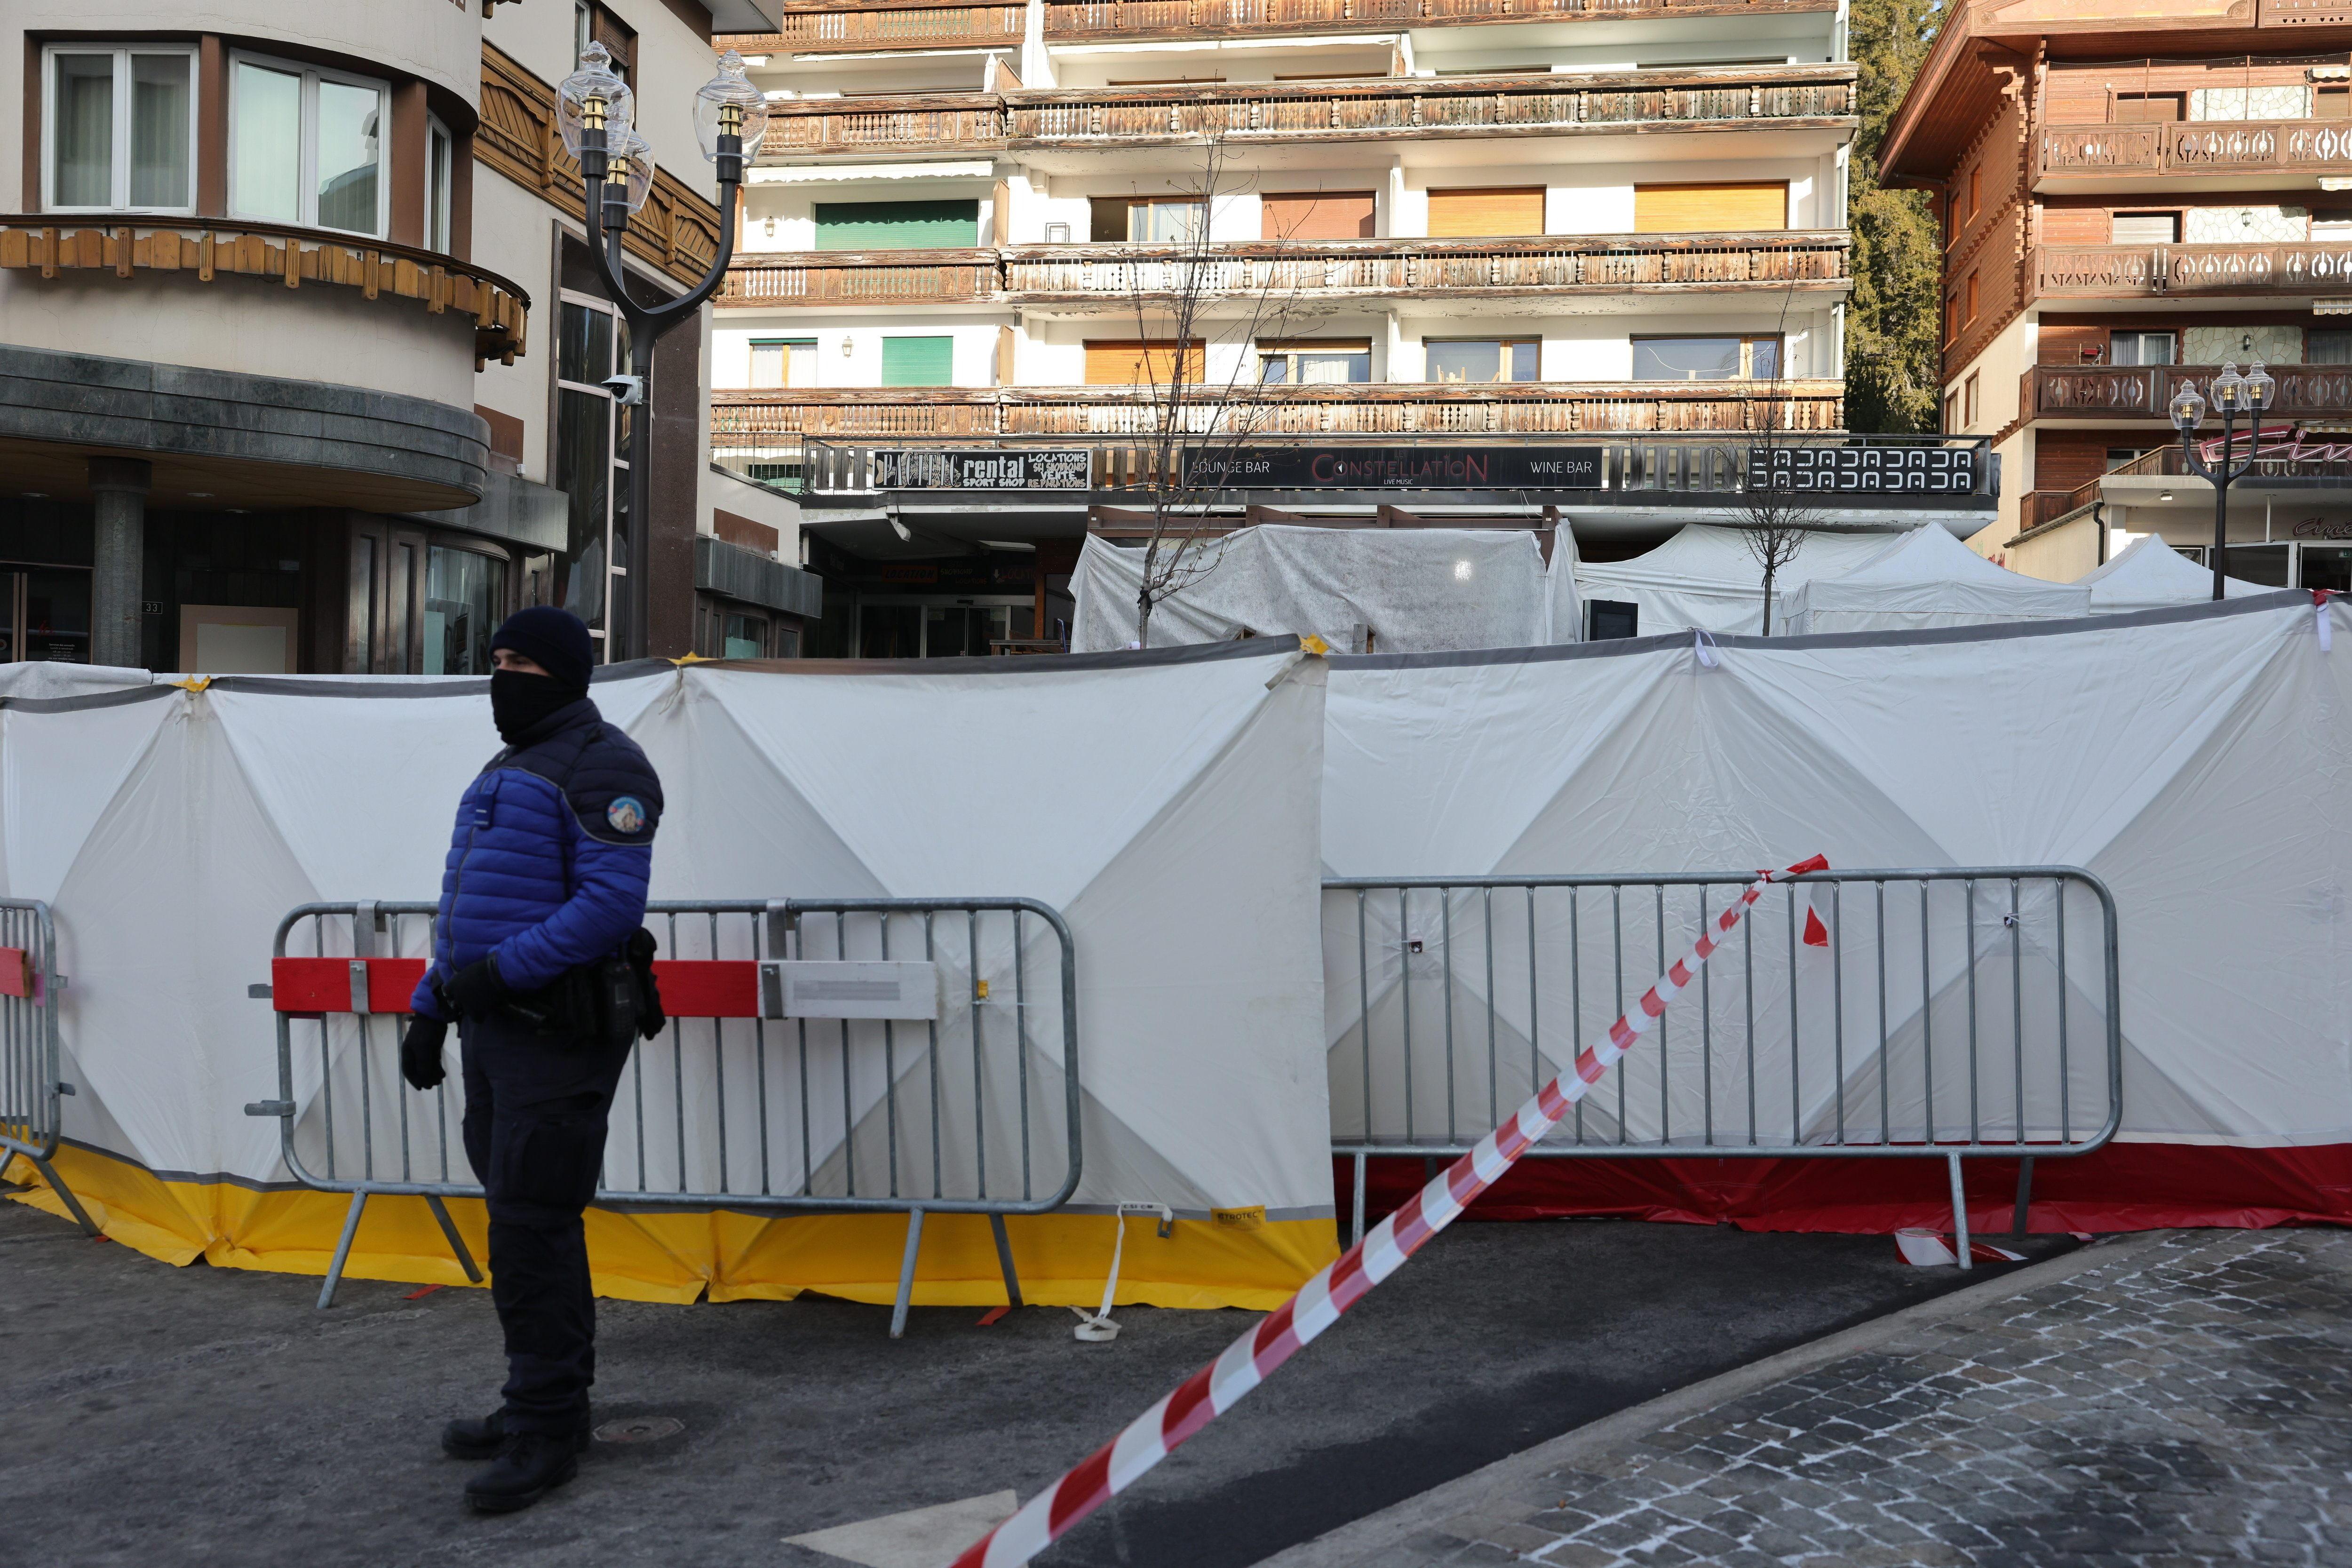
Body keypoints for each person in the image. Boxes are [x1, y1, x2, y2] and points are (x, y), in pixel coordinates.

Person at [397, 606, 663, 1513]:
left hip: (558, 1031)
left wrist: (494, 977)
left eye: (521, 660)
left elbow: (610, 906)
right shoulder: (508, 765)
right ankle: (547, 1401)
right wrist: (432, 1007)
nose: (502, 674)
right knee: (528, 1220)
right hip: (495, 1028)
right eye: (497, 657)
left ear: (565, 672)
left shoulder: (606, 764)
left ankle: (545, 1425)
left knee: (529, 1222)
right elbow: (466, 910)